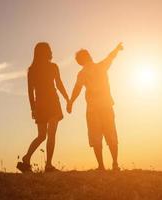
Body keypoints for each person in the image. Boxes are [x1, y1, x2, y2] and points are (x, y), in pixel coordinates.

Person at [67, 42, 123, 171]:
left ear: (79, 62)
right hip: (106, 105)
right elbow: (111, 56)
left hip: (93, 109)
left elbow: (77, 89)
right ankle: (115, 164)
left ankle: (101, 166)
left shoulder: (82, 74)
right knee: (111, 134)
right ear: (89, 56)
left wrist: (71, 102)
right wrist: (117, 49)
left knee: (95, 136)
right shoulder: (101, 66)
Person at [17, 42, 69, 173]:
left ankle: (33, 160)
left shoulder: (33, 70)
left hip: (42, 104)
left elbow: (31, 92)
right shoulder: (49, 67)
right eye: (49, 50)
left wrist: (33, 108)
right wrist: (67, 99)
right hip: (50, 103)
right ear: (46, 52)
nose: (51, 52)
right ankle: (42, 163)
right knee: (47, 135)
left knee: (42, 136)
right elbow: (58, 85)